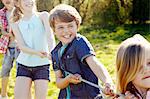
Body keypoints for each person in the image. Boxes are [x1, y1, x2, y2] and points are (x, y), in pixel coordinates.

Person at [49, 4, 114, 99]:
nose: (66, 31)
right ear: (54, 30)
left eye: (70, 26)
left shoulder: (79, 42)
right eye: (61, 27)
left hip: (88, 96)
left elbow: (94, 63)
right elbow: (59, 82)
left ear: (77, 26)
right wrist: (67, 80)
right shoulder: (55, 53)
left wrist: (107, 81)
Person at [10, 0, 55, 99]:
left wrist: (52, 52)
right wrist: (37, 53)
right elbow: (21, 46)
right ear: (18, 3)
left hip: (42, 65)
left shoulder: (43, 16)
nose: (29, 1)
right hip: (23, 65)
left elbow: (49, 36)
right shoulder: (15, 22)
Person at [115, 34, 150, 99]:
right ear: (126, 72)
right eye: (138, 66)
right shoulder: (124, 96)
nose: (146, 69)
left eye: (149, 63)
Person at [0, 0, 19, 98]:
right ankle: (3, 95)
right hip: (8, 46)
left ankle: (20, 94)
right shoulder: (2, 13)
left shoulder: (20, 10)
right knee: (5, 69)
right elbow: (3, 30)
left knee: (21, 71)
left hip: (21, 47)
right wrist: (9, 34)